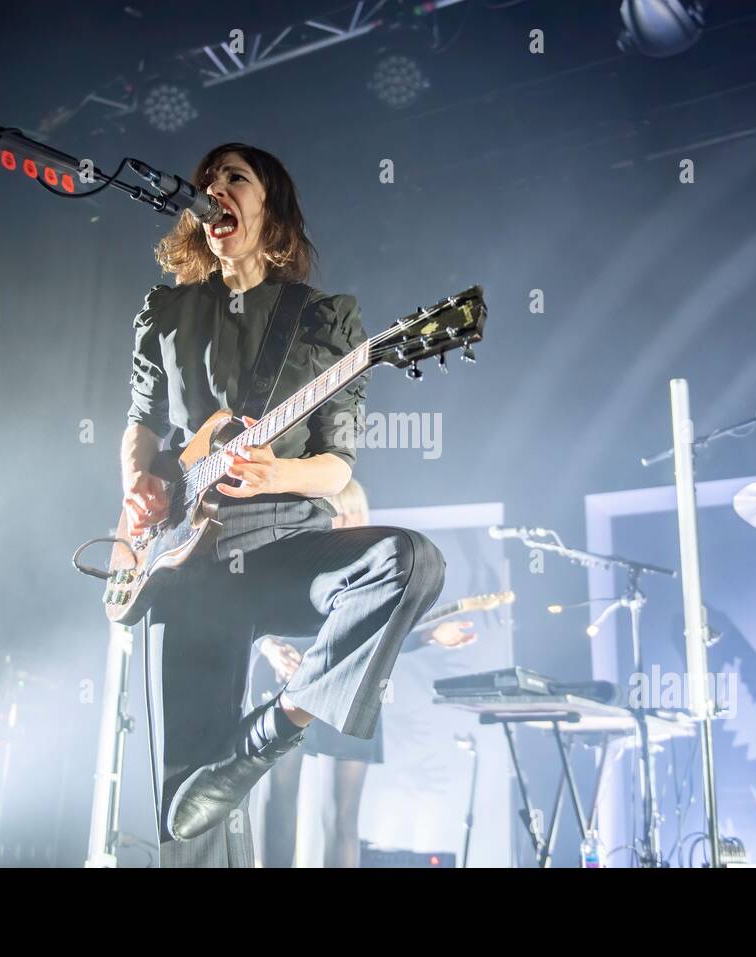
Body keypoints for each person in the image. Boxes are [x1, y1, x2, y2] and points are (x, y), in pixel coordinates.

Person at [119, 142, 446, 865]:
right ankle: (218, 776)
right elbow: (141, 426)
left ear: (273, 211)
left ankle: (285, 719)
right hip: (188, 559)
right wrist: (135, 491)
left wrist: (277, 476)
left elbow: (335, 469)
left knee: (409, 561)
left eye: (235, 178)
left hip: (288, 549)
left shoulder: (324, 318)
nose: (214, 189)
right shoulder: (166, 311)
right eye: (207, 180)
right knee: (187, 815)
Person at [254, 479, 476, 867]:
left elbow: (380, 637)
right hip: (290, 686)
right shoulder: (297, 558)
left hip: (353, 688)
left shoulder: (377, 568)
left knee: (342, 819)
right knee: (279, 802)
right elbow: (253, 614)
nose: (352, 518)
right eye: (343, 509)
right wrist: (269, 647)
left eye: (358, 510)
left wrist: (430, 637)